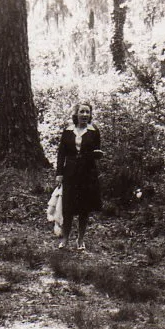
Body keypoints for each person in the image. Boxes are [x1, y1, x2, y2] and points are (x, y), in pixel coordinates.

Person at [55, 102, 103, 251]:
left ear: (90, 115)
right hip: (70, 173)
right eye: (82, 112)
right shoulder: (68, 131)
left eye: (87, 112)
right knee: (68, 207)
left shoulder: (94, 131)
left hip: (87, 174)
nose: (84, 115)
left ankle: (80, 239)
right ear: (76, 114)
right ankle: (65, 238)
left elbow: (97, 152)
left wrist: (97, 155)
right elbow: (61, 153)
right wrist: (59, 173)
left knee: (84, 208)